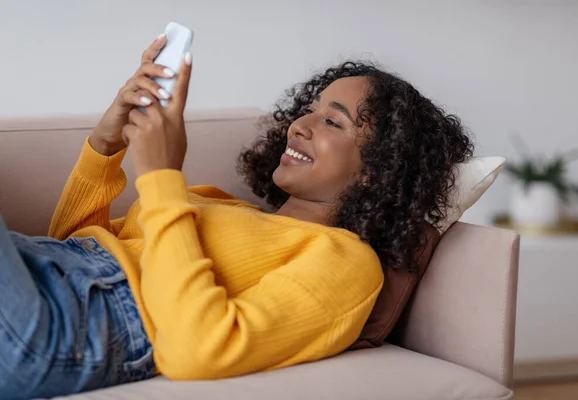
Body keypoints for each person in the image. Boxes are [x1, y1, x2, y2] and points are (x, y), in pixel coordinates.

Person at [0, 35, 473, 399]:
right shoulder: (224, 205)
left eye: (333, 121)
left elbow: (196, 352)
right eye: (309, 110)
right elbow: (73, 245)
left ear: (378, 170)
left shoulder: (346, 260)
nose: (299, 126)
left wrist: (162, 174)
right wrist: (107, 144)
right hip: (40, 274)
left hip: (59, 328)